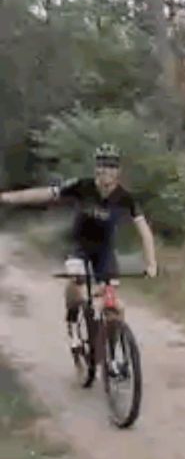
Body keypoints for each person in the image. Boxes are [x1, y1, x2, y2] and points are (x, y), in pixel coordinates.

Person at [0, 142, 158, 350]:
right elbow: (45, 194)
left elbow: (144, 231)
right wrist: (7, 198)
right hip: (80, 248)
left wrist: (151, 263)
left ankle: (114, 352)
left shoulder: (125, 198)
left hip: (105, 253)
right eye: (102, 164)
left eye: (111, 165)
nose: (105, 170)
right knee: (77, 282)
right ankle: (73, 324)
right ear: (96, 168)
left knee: (116, 307)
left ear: (118, 171)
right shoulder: (81, 187)